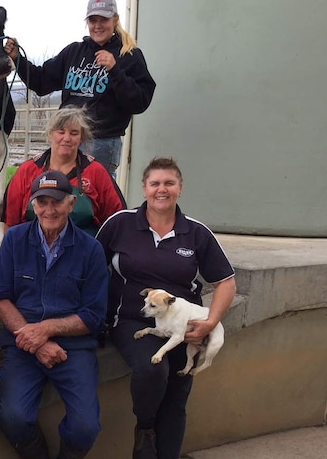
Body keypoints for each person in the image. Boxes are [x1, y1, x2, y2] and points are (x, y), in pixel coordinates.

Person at [95, 157, 236, 459]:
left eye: (169, 183)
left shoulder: (196, 233)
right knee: (151, 369)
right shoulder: (120, 224)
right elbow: (93, 269)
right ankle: (145, 430)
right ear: (144, 188)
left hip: (186, 325)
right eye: (155, 183)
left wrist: (210, 322)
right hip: (133, 319)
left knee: (176, 394)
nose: (162, 189)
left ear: (180, 188)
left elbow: (226, 283)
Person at [0, 170, 110, 459]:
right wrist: (38, 340)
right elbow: (1, 297)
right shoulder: (15, 239)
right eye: (41, 202)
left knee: (85, 427)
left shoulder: (90, 249)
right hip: (24, 343)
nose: (49, 209)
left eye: (56, 202)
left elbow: (94, 315)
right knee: (14, 417)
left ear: (71, 204)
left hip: (74, 348)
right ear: (33, 205)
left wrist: (45, 330)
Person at [4, 0, 156, 177]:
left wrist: (115, 71)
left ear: (115, 20)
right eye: (93, 20)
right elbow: (41, 81)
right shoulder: (74, 52)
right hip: (65, 139)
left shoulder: (129, 56)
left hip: (101, 142)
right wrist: (18, 59)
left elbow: (139, 102)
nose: (97, 26)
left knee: (93, 199)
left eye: (103, 20)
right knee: (60, 195)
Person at [1, 106, 126, 236]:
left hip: (84, 252)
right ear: (50, 135)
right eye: (61, 131)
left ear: (81, 138)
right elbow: (11, 223)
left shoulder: (96, 172)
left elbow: (118, 221)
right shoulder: (27, 170)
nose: (67, 138)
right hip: (34, 251)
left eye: (74, 133)